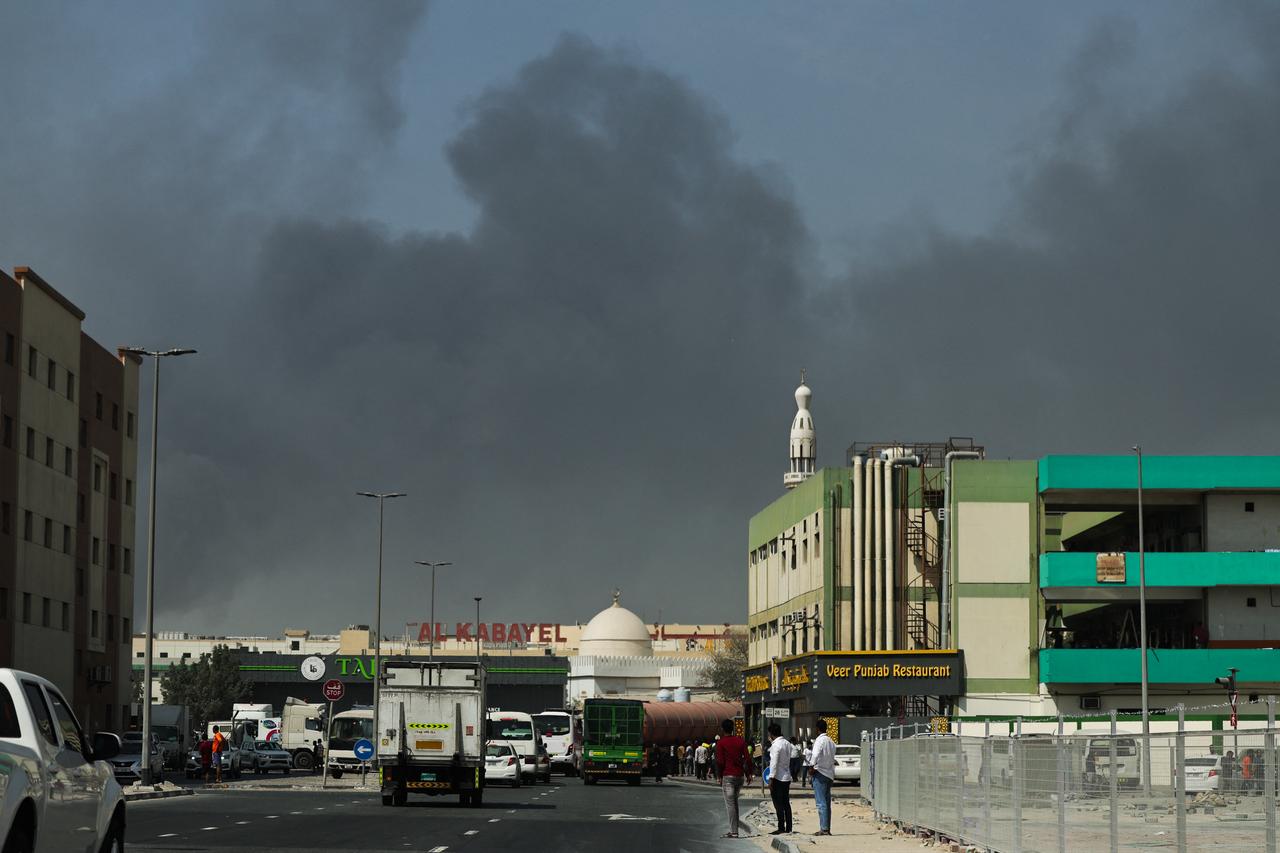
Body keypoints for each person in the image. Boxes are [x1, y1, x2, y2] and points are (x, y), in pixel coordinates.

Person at [714, 718, 754, 838]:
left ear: (722, 729)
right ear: (733, 728)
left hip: (728, 776)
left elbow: (720, 761)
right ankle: (735, 829)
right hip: (739, 776)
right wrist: (749, 774)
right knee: (734, 803)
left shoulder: (721, 743)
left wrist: (718, 776)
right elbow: (747, 759)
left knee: (730, 804)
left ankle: (734, 831)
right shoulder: (740, 741)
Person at [809, 720, 837, 836]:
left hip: (820, 773)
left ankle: (824, 829)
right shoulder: (831, 741)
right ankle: (827, 828)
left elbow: (815, 755)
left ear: (817, 729)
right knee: (826, 802)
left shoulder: (819, 740)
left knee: (821, 803)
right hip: (829, 774)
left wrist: (811, 766)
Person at [766, 723, 793, 835]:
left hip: (778, 777)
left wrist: (771, 778)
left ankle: (781, 827)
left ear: (771, 734)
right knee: (786, 803)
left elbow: (774, 763)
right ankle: (789, 827)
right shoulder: (787, 743)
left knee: (778, 803)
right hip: (786, 776)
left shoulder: (776, 745)